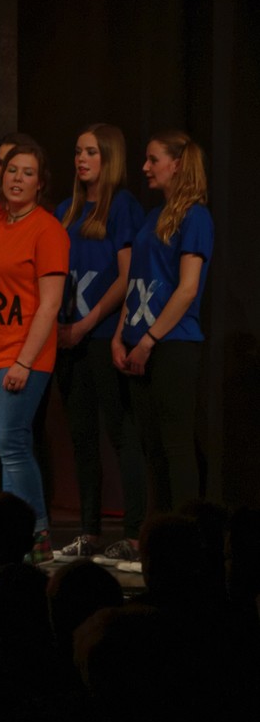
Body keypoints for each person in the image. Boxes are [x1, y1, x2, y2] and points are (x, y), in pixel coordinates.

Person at [0, 140, 69, 562]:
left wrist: (23, 361)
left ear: (40, 183)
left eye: (28, 173)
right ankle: (10, 537)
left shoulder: (47, 230)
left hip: (24, 354)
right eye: (12, 171)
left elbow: (50, 305)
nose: (17, 179)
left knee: (12, 442)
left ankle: (37, 535)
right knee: (4, 448)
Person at [113, 130, 213, 570]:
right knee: (151, 447)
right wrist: (121, 335)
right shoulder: (153, 215)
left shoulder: (196, 217)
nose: (145, 167)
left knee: (175, 446)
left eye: (153, 159)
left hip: (173, 345)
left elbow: (187, 289)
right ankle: (158, 544)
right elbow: (136, 282)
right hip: (138, 343)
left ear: (177, 164)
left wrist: (150, 339)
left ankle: (186, 545)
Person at [53, 124, 146, 562]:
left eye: (91, 152)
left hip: (105, 336)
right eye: (78, 151)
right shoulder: (65, 210)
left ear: (109, 157)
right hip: (68, 339)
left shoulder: (122, 206)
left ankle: (135, 534)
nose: (81, 159)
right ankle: (88, 532)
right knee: (82, 437)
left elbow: (128, 276)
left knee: (121, 434)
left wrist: (87, 325)